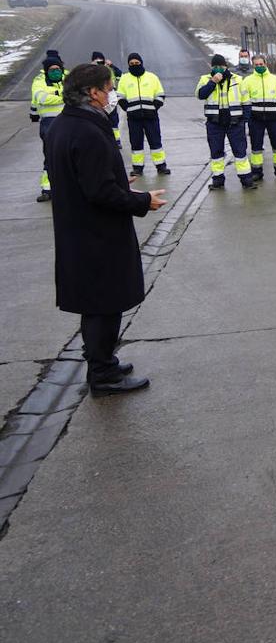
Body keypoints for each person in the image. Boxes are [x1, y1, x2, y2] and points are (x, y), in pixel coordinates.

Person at [46, 63, 166, 395]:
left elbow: (80, 176)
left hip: (79, 230)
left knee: (98, 303)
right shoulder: (86, 131)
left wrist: (115, 180)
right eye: (109, 88)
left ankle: (104, 362)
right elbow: (99, 192)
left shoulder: (63, 125)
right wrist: (141, 201)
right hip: (96, 234)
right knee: (104, 305)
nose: (113, 94)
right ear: (93, 92)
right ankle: (102, 375)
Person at [197, 54, 255, 190]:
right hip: (214, 122)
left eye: (221, 66)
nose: (218, 69)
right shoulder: (205, 79)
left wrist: (243, 120)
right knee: (216, 153)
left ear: (226, 66)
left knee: (240, 152)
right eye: (215, 66)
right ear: (212, 67)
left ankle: (246, 179)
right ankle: (218, 180)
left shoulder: (237, 80)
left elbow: (246, 101)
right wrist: (212, 82)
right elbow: (200, 95)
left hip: (235, 122)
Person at [115, 52, 169, 177]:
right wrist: (128, 109)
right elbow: (120, 96)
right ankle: (138, 168)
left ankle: (161, 166)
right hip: (134, 118)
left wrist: (153, 108)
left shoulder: (152, 77)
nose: (134, 65)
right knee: (136, 143)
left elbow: (160, 94)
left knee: (155, 141)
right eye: (131, 63)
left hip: (151, 117)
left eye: (137, 63)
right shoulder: (124, 78)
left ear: (141, 63)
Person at [241, 55, 276, 181]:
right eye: (256, 65)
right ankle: (257, 171)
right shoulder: (247, 81)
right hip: (256, 119)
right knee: (256, 147)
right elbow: (244, 100)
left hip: (274, 119)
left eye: (261, 64)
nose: (259, 67)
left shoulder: (275, 79)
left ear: (265, 63)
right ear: (253, 65)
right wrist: (249, 116)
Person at [32, 55, 66, 202]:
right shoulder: (39, 83)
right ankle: (47, 189)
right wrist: (63, 96)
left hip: (68, 124)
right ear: (46, 71)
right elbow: (42, 99)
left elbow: (77, 95)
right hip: (49, 125)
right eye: (52, 70)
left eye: (58, 69)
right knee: (51, 157)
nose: (55, 72)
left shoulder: (68, 80)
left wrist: (57, 95)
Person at [90, 51, 123, 146]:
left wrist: (112, 66)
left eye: (101, 60)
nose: (99, 63)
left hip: (110, 95)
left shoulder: (109, 68)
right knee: (99, 120)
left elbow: (120, 75)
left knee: (113, 121)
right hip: (97, 97)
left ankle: (116, 141)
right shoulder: (90, 70)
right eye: (97, 61)